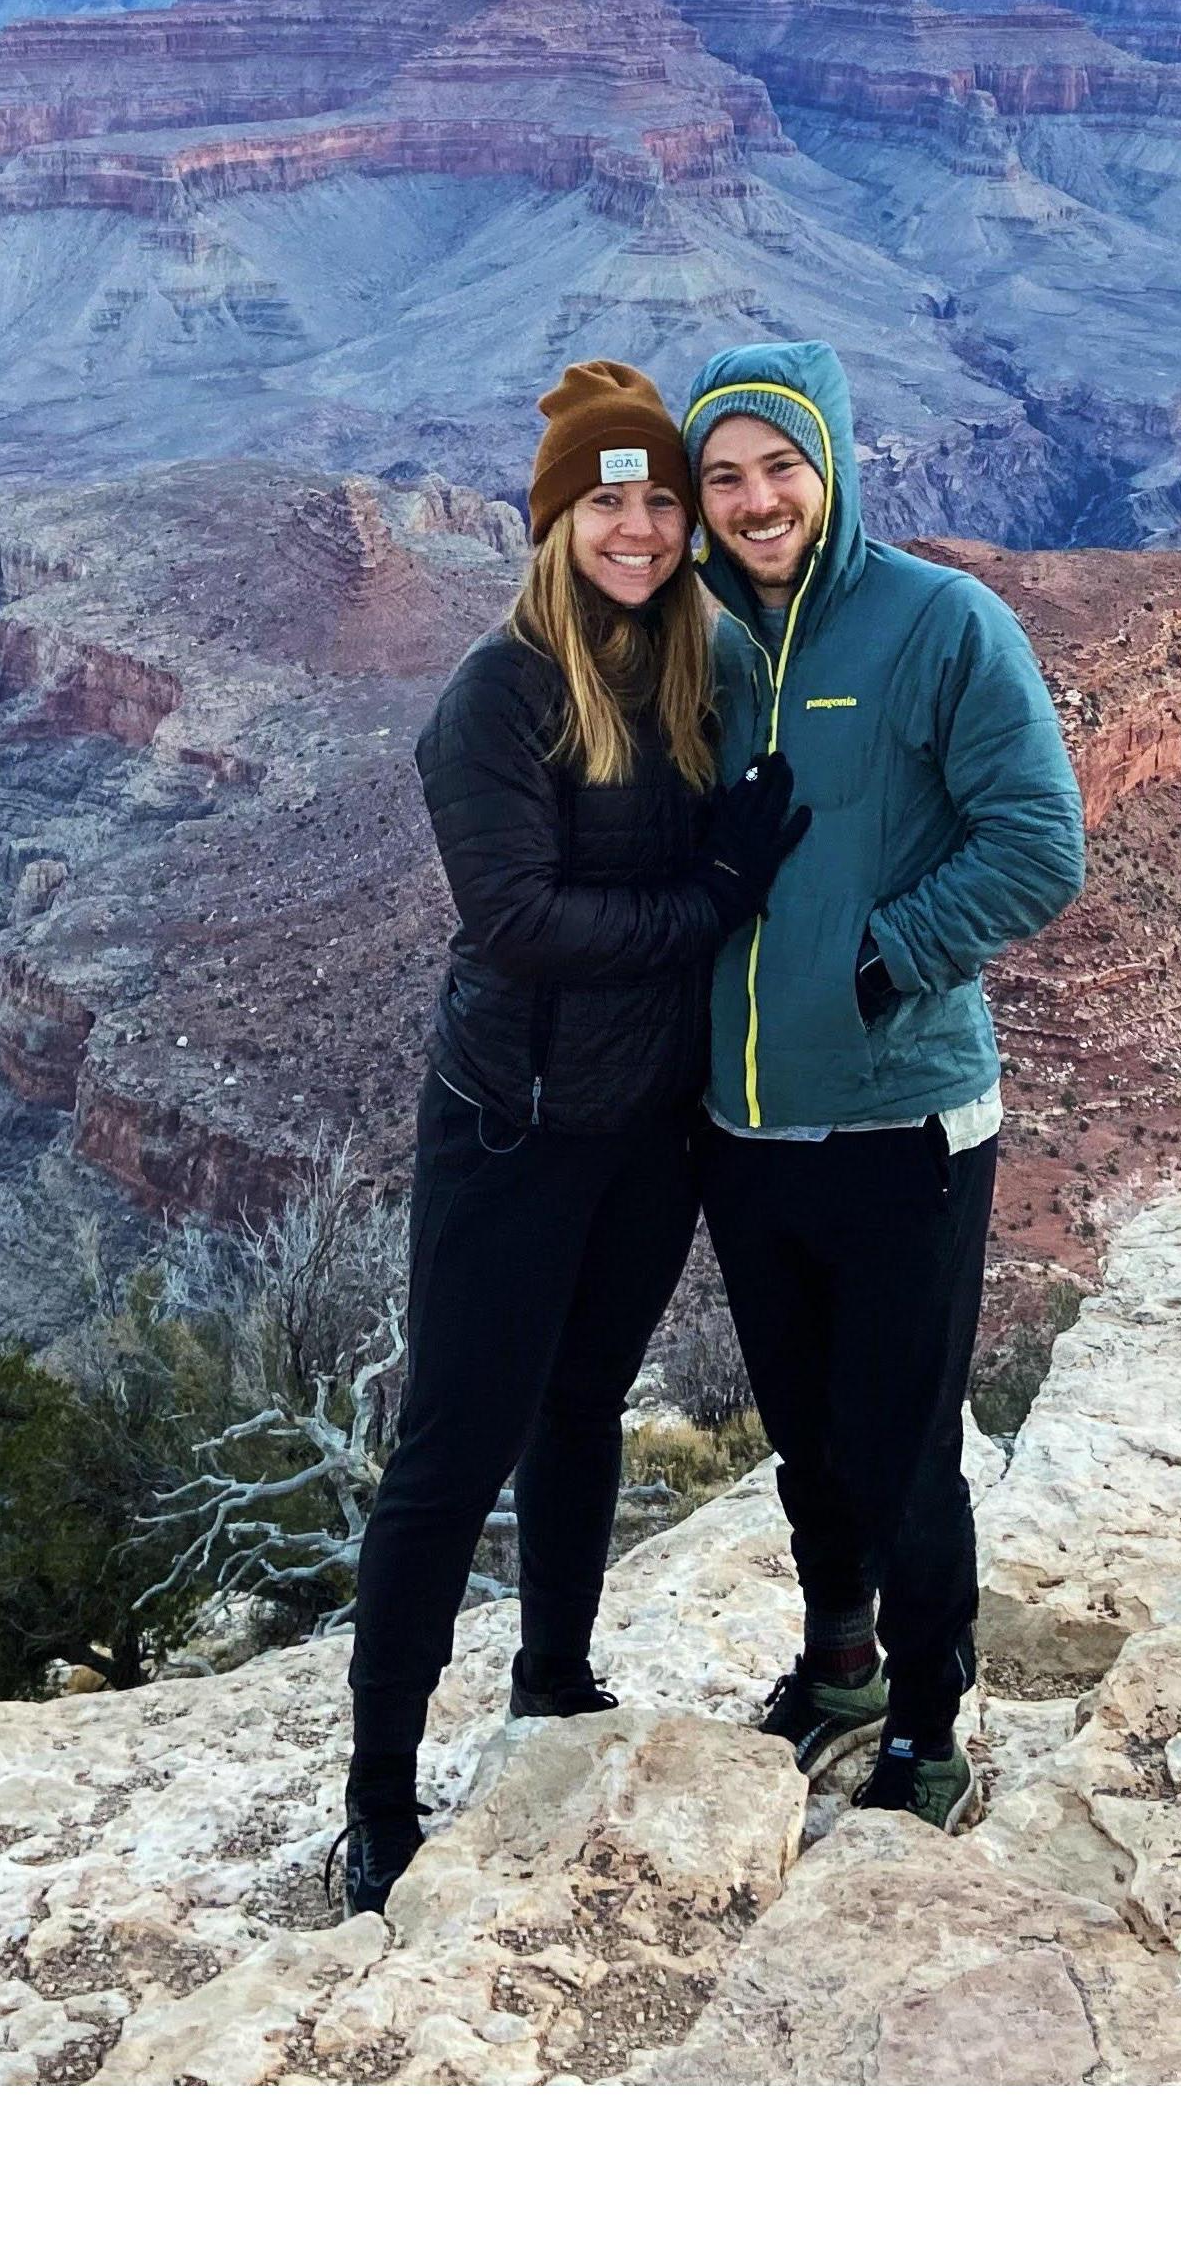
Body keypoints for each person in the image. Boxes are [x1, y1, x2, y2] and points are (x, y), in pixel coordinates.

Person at [341, 357, 811, 1916]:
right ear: (556, 520)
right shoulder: (498, 689)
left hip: (648, 1129)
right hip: (517, 1127)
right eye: (607, 502)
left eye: (660, 502)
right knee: (449, 1448)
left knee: (585, 1407)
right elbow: (518, 916)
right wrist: (719, 894)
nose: (642, 529)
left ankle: (554, 1675)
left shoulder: (689, 662)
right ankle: (379, 1792)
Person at [680, 340, 1086, 1833]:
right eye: (723, 476)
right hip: (745, 1125)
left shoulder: (939, 624)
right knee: (806, 1432)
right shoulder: (705, 647)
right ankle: (836, 1662)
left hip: (901, 1116)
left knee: (905, 1441)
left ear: (832, 466)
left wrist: (880, 958)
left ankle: (929, 1718)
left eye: (779, 466)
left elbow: (1039, 841)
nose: (754, 499)